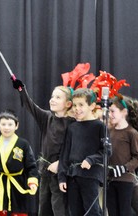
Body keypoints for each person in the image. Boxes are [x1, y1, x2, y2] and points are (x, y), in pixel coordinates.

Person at [12, 79, 75, 216]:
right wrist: (21, 89)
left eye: (58, 97)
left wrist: (60, 164)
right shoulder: (47, 118)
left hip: (62, 174)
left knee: (60, 209)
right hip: (45, 171)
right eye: (52, 96)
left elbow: (75, 150)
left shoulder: (73, 124)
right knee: (44, 207)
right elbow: (31, 106)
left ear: (68, 104)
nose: (52, 100)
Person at [0, 109, 38, 216]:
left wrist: (32, 182)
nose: (6, 127)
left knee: (18, 211)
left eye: (10, 124)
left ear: (16, 126)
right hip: (0, 183)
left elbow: (31, 166)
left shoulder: (23, 144)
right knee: (0, 210)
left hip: (18, 183)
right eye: (3, 124)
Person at [58, 88, 104, 216]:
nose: (76, 108)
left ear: (92, 106)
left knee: (92, 211)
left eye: (81, 105)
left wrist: (91, 159)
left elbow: (106, 151)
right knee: (75, 211)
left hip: (90, 176)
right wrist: (62, 177)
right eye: (75, 105)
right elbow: (65, 154)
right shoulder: (72, 128)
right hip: (72, 176)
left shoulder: (99, 126)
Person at [107, 95, 138, 216]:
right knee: (113, 211)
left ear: (124, 112)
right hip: (110, 180)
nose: (110, 114)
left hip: (125, 180)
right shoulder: (109, 131)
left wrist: (124, 168)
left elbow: (137, 157)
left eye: (113, 111)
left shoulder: (131, 133)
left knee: (124, 211)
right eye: (109, 111)